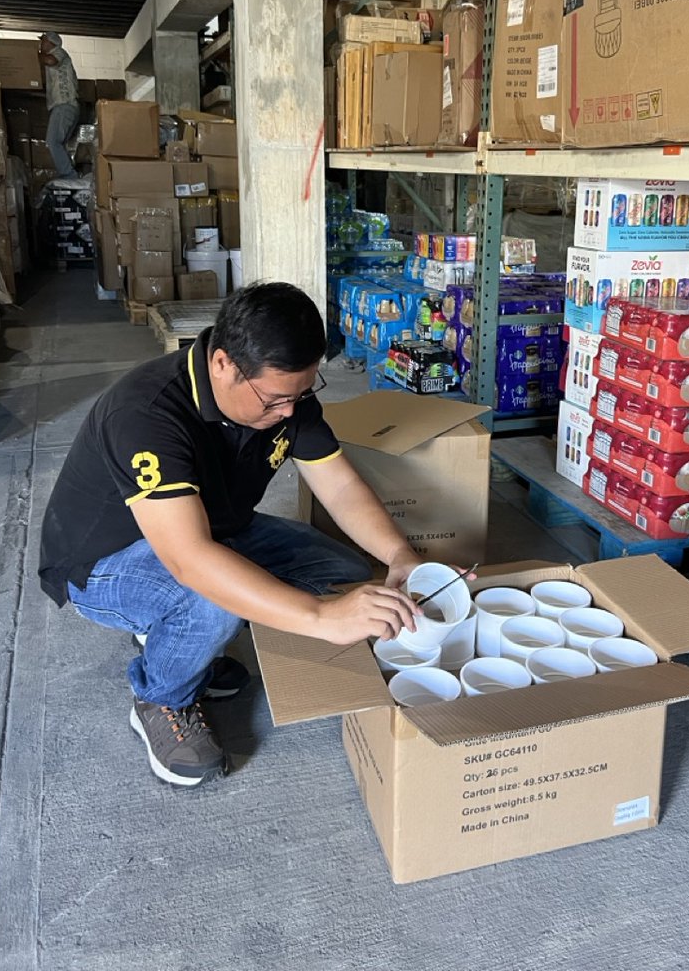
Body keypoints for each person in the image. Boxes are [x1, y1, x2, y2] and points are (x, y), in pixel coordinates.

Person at [39, 282, 428, 788]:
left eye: (302, 394)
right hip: (104, 564)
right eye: (276, 399)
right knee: (212, 599)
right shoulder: (146, 414)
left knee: (343, 570)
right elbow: (190, 560)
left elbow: (337, 482)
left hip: (211, 529)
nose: (289, 412)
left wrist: (400, 556)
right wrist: (322, 618)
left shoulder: (285, 396)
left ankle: (186, 640)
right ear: (223, 364)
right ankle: (161, 694)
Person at [38, 31, 80, 179]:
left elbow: (51, 61)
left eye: (43, 41)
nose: (40, 44)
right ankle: (70, 176)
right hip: (66, 107)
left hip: (64, 105)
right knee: (59, 144)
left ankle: (69, 176)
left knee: (52, 141)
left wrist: (33, 54)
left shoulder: (59, 52)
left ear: (51, 43)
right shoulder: (51, 57)